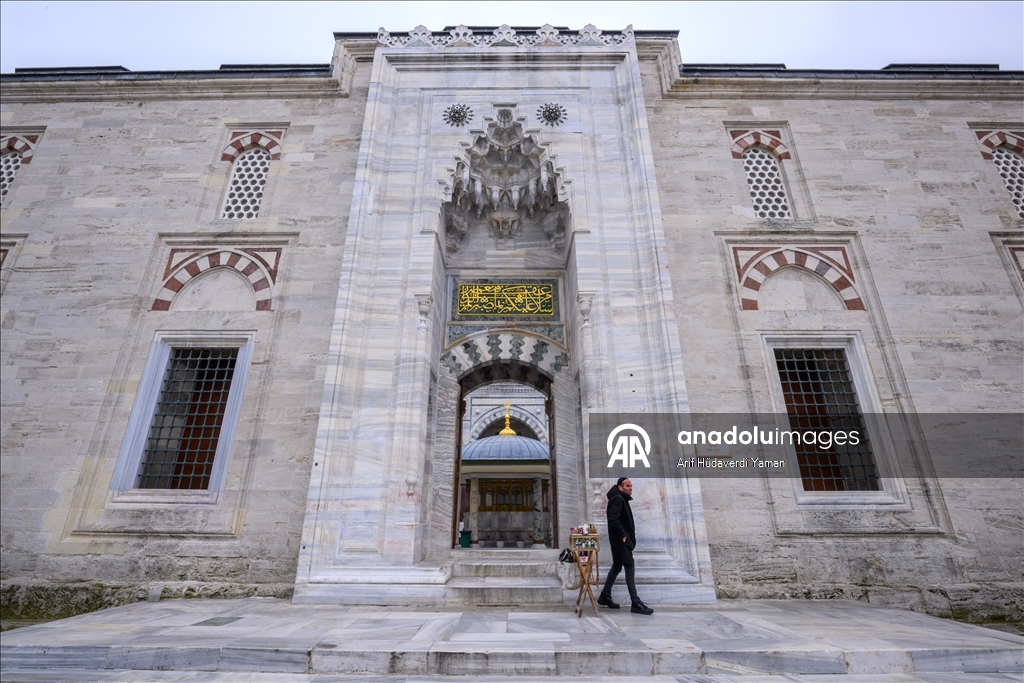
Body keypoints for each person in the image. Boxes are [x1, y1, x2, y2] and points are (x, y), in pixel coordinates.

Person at [597, 477, 654, 615]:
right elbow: (613, 519)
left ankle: (605, 595)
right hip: (621, 541)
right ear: (620, 487)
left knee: (617, 566)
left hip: (620, 541)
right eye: (627, 485)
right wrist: (623, 535)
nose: (630, 488)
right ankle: (635, 602)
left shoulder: (619, 498)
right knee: (629, 567)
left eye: (631, 485)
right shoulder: (618, 499)